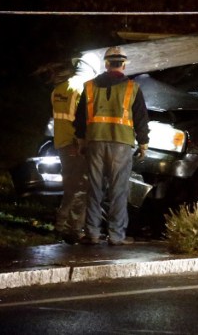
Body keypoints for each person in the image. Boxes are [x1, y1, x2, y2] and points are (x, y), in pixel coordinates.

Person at [73, 46, 150, 246]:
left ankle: (92, 233)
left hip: (95, 142)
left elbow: (80, 118)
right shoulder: (132, 88)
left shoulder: (89, 87)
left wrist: (81, 141)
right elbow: (141, 117)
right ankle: (116, 236)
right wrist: (143, 143)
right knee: (118, 190)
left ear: (106, 64)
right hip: (121, 144)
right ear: (123, 64)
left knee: (95, 188)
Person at [50, 55, 98, 244]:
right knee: (80, 188)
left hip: (61, 142)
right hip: (76, 145)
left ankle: (60, 224)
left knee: (69, 185)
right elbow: (81, 121)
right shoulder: (84, 89)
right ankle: (73, 229)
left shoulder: (58, 89)